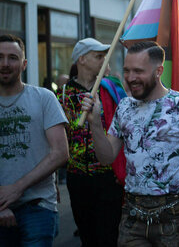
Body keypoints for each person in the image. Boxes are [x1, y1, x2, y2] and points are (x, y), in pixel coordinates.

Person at [81, 41, 179, 246]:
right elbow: (107, 157)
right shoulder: (125, 106)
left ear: (158, 71)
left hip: (174, 214)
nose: (131, 77)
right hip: (133, 213)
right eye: (127, 70)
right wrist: (95, 124)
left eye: (138, 71)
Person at [0, 34, 69, 245]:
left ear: (24, 64)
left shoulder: (44, 98)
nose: (5, 63)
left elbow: (60, 153)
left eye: (13, 57)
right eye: (0, 57)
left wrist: (18, 187)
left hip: (38, 206)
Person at [58, 37, 126, 246]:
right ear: (82, 59)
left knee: (109, 237)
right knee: (88, 236)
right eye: (98, 56)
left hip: (108, 175)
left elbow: (124, 129)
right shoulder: (62, 94)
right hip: (77, 176)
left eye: (104, 56)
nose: (104, 60)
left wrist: (122, 169)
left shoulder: (109, 88)